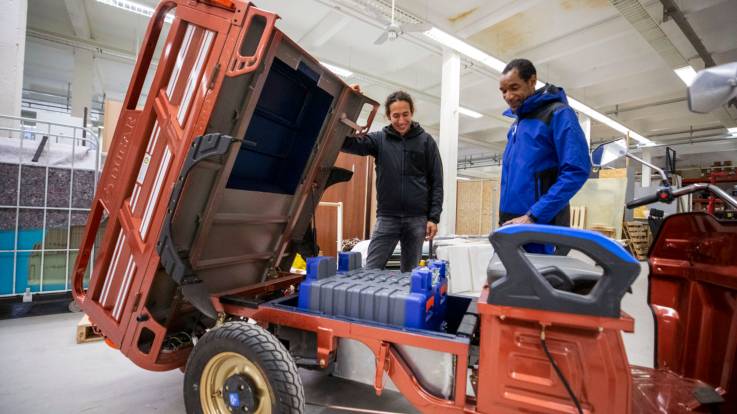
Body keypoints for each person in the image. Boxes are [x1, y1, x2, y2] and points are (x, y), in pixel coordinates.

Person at [342, 89, 443, 272]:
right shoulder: (379, 140)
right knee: (371, 270)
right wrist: (350, 103)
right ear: (388, 116)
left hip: (417, 219)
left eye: (406, 114)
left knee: (410, 275)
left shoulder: (426, 142)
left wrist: (433, 218)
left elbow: (436, 181)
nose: (402, 120)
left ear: (412, 112)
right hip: (387, 217)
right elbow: (346, 143)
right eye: (396, 116)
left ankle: (405, 302)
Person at [497, 58, 591, 253]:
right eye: (503, 91)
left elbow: (576, 171)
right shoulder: (517, 125)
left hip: (542, 227)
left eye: (514, 87)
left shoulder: (558, 115)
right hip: (512, 224)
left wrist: (534, 215)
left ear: (532, 81)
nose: (508, 96)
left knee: (542, 282)